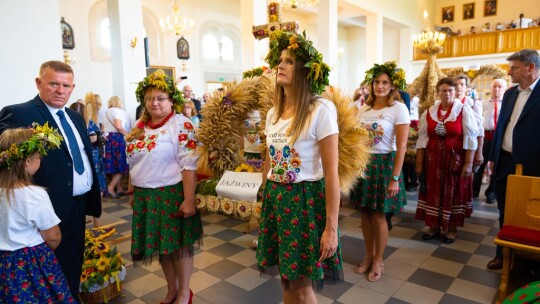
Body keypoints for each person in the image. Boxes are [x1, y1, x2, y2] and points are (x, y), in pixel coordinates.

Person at [0, 60, 102, 299]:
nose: (60, 90)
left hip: (78, 205)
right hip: (43, 208)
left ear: (72, 87)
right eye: (53, 83)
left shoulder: (75, 117)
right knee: (45, 274)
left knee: (72, 264)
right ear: (39, 83)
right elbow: (4, 156)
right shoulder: (18, 113)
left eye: (65, 85)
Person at [256, 30, 342, 303]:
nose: (280, 65)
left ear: (306, 71)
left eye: (290, 61)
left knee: (302, 289)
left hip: (304, 201)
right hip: (277, 201)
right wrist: (264, 195)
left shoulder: (321, 110)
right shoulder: (272, 113)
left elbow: (331, 174)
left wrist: (331, 228)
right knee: (287, 281)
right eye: (280, 60)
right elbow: (269, 160)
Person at [126, 70, 202, 304]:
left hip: (171, 193)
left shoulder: (182, 124)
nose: (154, 103)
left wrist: (189, 200)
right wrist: (131, 189)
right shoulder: (140, 125)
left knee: (178, 247)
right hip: (145, 195)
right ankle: (171, 289)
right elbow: (133, 160)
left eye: (160, 98)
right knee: (162, 247)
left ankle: (184, 292)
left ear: (172, 101)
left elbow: (188, 165)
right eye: (150, 98)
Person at [0, 125, 76, 303]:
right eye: (38, 157)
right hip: (30, 263)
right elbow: (53, 236)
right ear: (27, 161)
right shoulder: (34, 195)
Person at [349, 61, 409, 281]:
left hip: (385, 165)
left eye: (385, 82)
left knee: (379, 215)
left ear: (393, 86)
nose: (380, 86)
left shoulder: (398, 108)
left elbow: (402, 146)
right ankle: (367, 255)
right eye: (377, 82)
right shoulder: (364, 108)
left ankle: (379, 259)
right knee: (364, 213)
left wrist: (395, 178)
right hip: (365, 165)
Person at [487, 49, 540, 271]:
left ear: (530, 68)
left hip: (533, 165)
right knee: (505, 210)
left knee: (531, 214)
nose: (509, 72)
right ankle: (503, 254)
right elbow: (501, 128)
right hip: (505, 162)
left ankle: (528, 259)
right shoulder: (509, 94)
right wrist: (493, 157)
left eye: (515, 67)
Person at [415, 77, 478, 244]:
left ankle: (452, 228)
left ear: (455, 92)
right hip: (433, 161)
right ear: (438, 92)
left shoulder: (463, 110)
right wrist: (420, 164)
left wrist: (468, 163)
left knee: (452, 191)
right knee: (433, 192)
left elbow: (471, 138)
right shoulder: (429, 112)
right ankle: (433, 225)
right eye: (443, 90)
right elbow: (422, 139)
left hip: (453, 161)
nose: (447, 93)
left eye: (450, 90)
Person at [472, 79, 507, 204]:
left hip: (500, 139)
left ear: (504, 89)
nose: (497, 89)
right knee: (479, 163)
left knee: (496, 166)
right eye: (494, 87)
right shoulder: (483, 103)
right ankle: (474, 190)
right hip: (485, 137)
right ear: (490, 89)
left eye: (500, 87)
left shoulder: (507, 104)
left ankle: (491, 192)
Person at [454, 74, 484, 195]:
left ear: (467, 88)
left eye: (462, 84)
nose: (459, 87)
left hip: (467, 148)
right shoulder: (449, 102)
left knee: (463, 178)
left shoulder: (473, 103)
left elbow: (479, 129)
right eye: (456, 85)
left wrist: (479, 152)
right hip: (452, 147)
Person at [103, 96, 129, 198]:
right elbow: (118, 126)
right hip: (117, 139)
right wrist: (128, 135)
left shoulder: (106, 112)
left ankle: (119, 188)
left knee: (115, 165)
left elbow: (103, 128)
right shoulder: (118, 111)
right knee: (122, 164)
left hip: (108, 139)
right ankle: (111, 187)